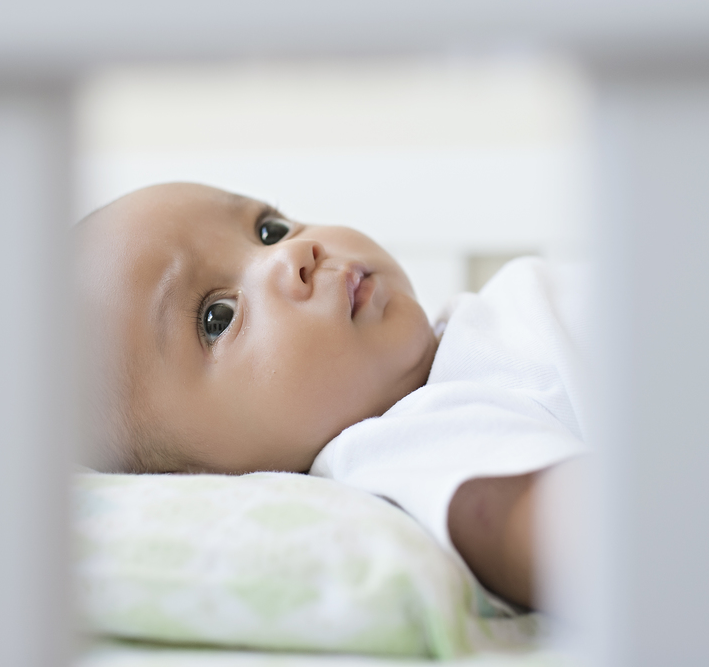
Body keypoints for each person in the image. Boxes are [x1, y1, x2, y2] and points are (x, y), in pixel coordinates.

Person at [76, 182, 588, 609]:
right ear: (202, 479)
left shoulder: (474, 328)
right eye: (219, 317)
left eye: (268, 230)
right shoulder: (404, 441)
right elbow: (574, 537)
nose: (293, 253)